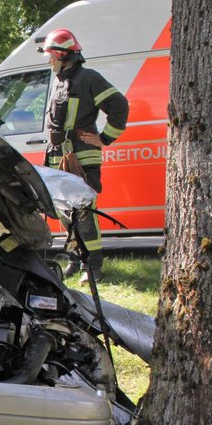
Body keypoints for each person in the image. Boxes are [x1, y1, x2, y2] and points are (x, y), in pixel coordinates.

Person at [40, 28, 129, 284]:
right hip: (59, 154)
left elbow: (119, 105)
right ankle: (76, 259)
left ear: (62, 55)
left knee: (84, 210)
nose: (48, 61)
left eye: (50, 56)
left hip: (81, 155)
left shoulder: (88, 78)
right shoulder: (59, 80)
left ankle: (94, 267)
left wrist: (105, 138)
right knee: (65, 210)